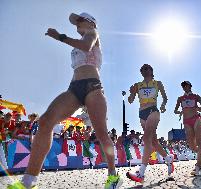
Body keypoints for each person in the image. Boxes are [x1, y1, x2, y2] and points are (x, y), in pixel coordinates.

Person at [8, 12, 122, 189]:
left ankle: (113, 176)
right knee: (45, 121)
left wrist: (59, 36)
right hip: (74, 88)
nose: (76, 24)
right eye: (76, 22)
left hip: (93, 87)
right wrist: (72, 91)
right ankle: (28, 182)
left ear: (91, 22)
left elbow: (86, 46)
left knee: (102, 133)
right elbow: (79, 64)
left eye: (79, 20)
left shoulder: (93, 34)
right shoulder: (78, 43)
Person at [126, 64, 174, 183]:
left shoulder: (158, 83)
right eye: (142, 69)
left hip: (153, 110)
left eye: (147, 68)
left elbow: (165, 97)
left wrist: (163, 105)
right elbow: (130, 101)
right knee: (154, 142)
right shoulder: (137, 85)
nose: (145, 70)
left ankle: (141, 172)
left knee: (146, 138)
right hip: (142, 114)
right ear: (141, 72)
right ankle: (168, 159)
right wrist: (131, 93)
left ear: (152, 71)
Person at [174, 81, 201, 175]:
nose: (184, 87)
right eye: (183, 86)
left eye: (186, 85)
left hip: (196, 119)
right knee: (192, 145)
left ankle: (198, 166)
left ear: (190, 86)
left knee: (199, 143)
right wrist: (179, 112)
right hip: (186, 121)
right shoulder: (180, 98)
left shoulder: (196, 96)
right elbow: (175, 110)